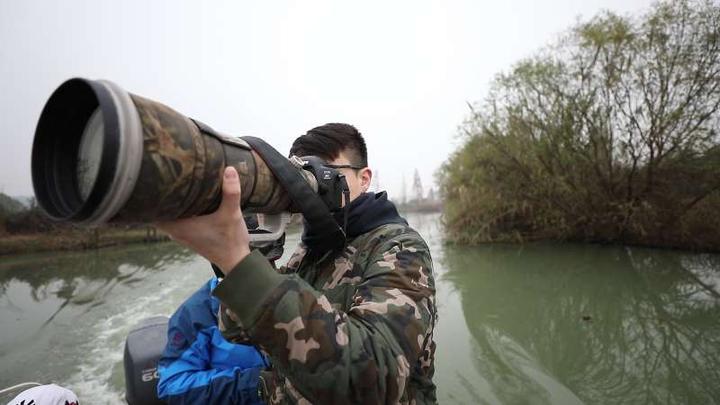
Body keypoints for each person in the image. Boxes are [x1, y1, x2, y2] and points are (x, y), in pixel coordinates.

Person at [158, 123, 437, 404]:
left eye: (327, 175)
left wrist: (238, 261)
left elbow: (374, 380)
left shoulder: (399, 247)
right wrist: (248, 257)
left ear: (364, 179)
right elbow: (239, 332)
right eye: (301, 179)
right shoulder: (310, 249)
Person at [156, 215, 283, 404]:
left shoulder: (291, 295)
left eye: (269, 259)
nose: (263, 269)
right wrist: (255, 385)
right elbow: (172, 386)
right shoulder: (195, 315)